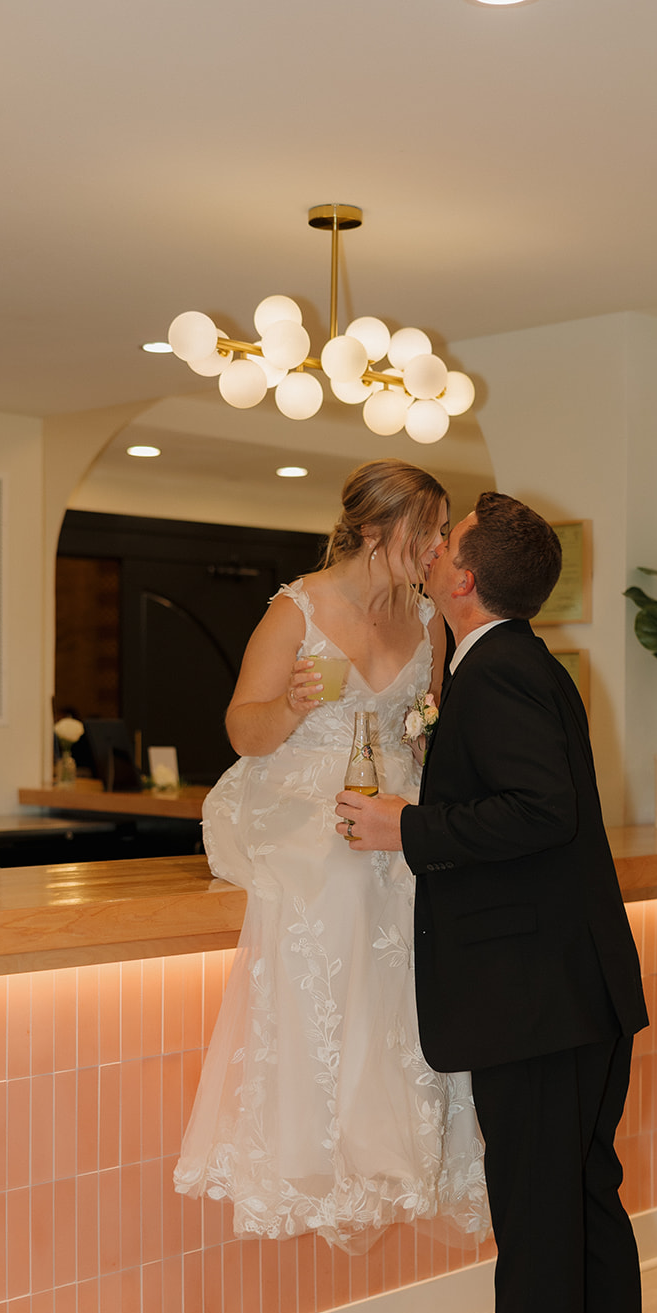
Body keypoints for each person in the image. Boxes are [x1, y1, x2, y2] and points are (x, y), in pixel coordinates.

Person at [336, 492, 649, 1313]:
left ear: (461, 576)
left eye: (442, 538)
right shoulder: (516, 664)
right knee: (580, 1208)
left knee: (543, 1220)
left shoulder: (499, 670)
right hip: (569, 989)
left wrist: (406, 828)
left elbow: (536, 811)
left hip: (535, 998)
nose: (427, 548)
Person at [173, 460, 489, 1252]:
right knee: (345, 875)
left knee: (430, 882)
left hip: (398, 799)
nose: (437, 548)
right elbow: (242, 733)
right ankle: (329, 1136)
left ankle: (408, 1131)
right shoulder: (296, 610)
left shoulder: (426, 620)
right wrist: (291, 704)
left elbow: (436, 731)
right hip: (300, 796)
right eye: (427, 531)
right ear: (375, 530)